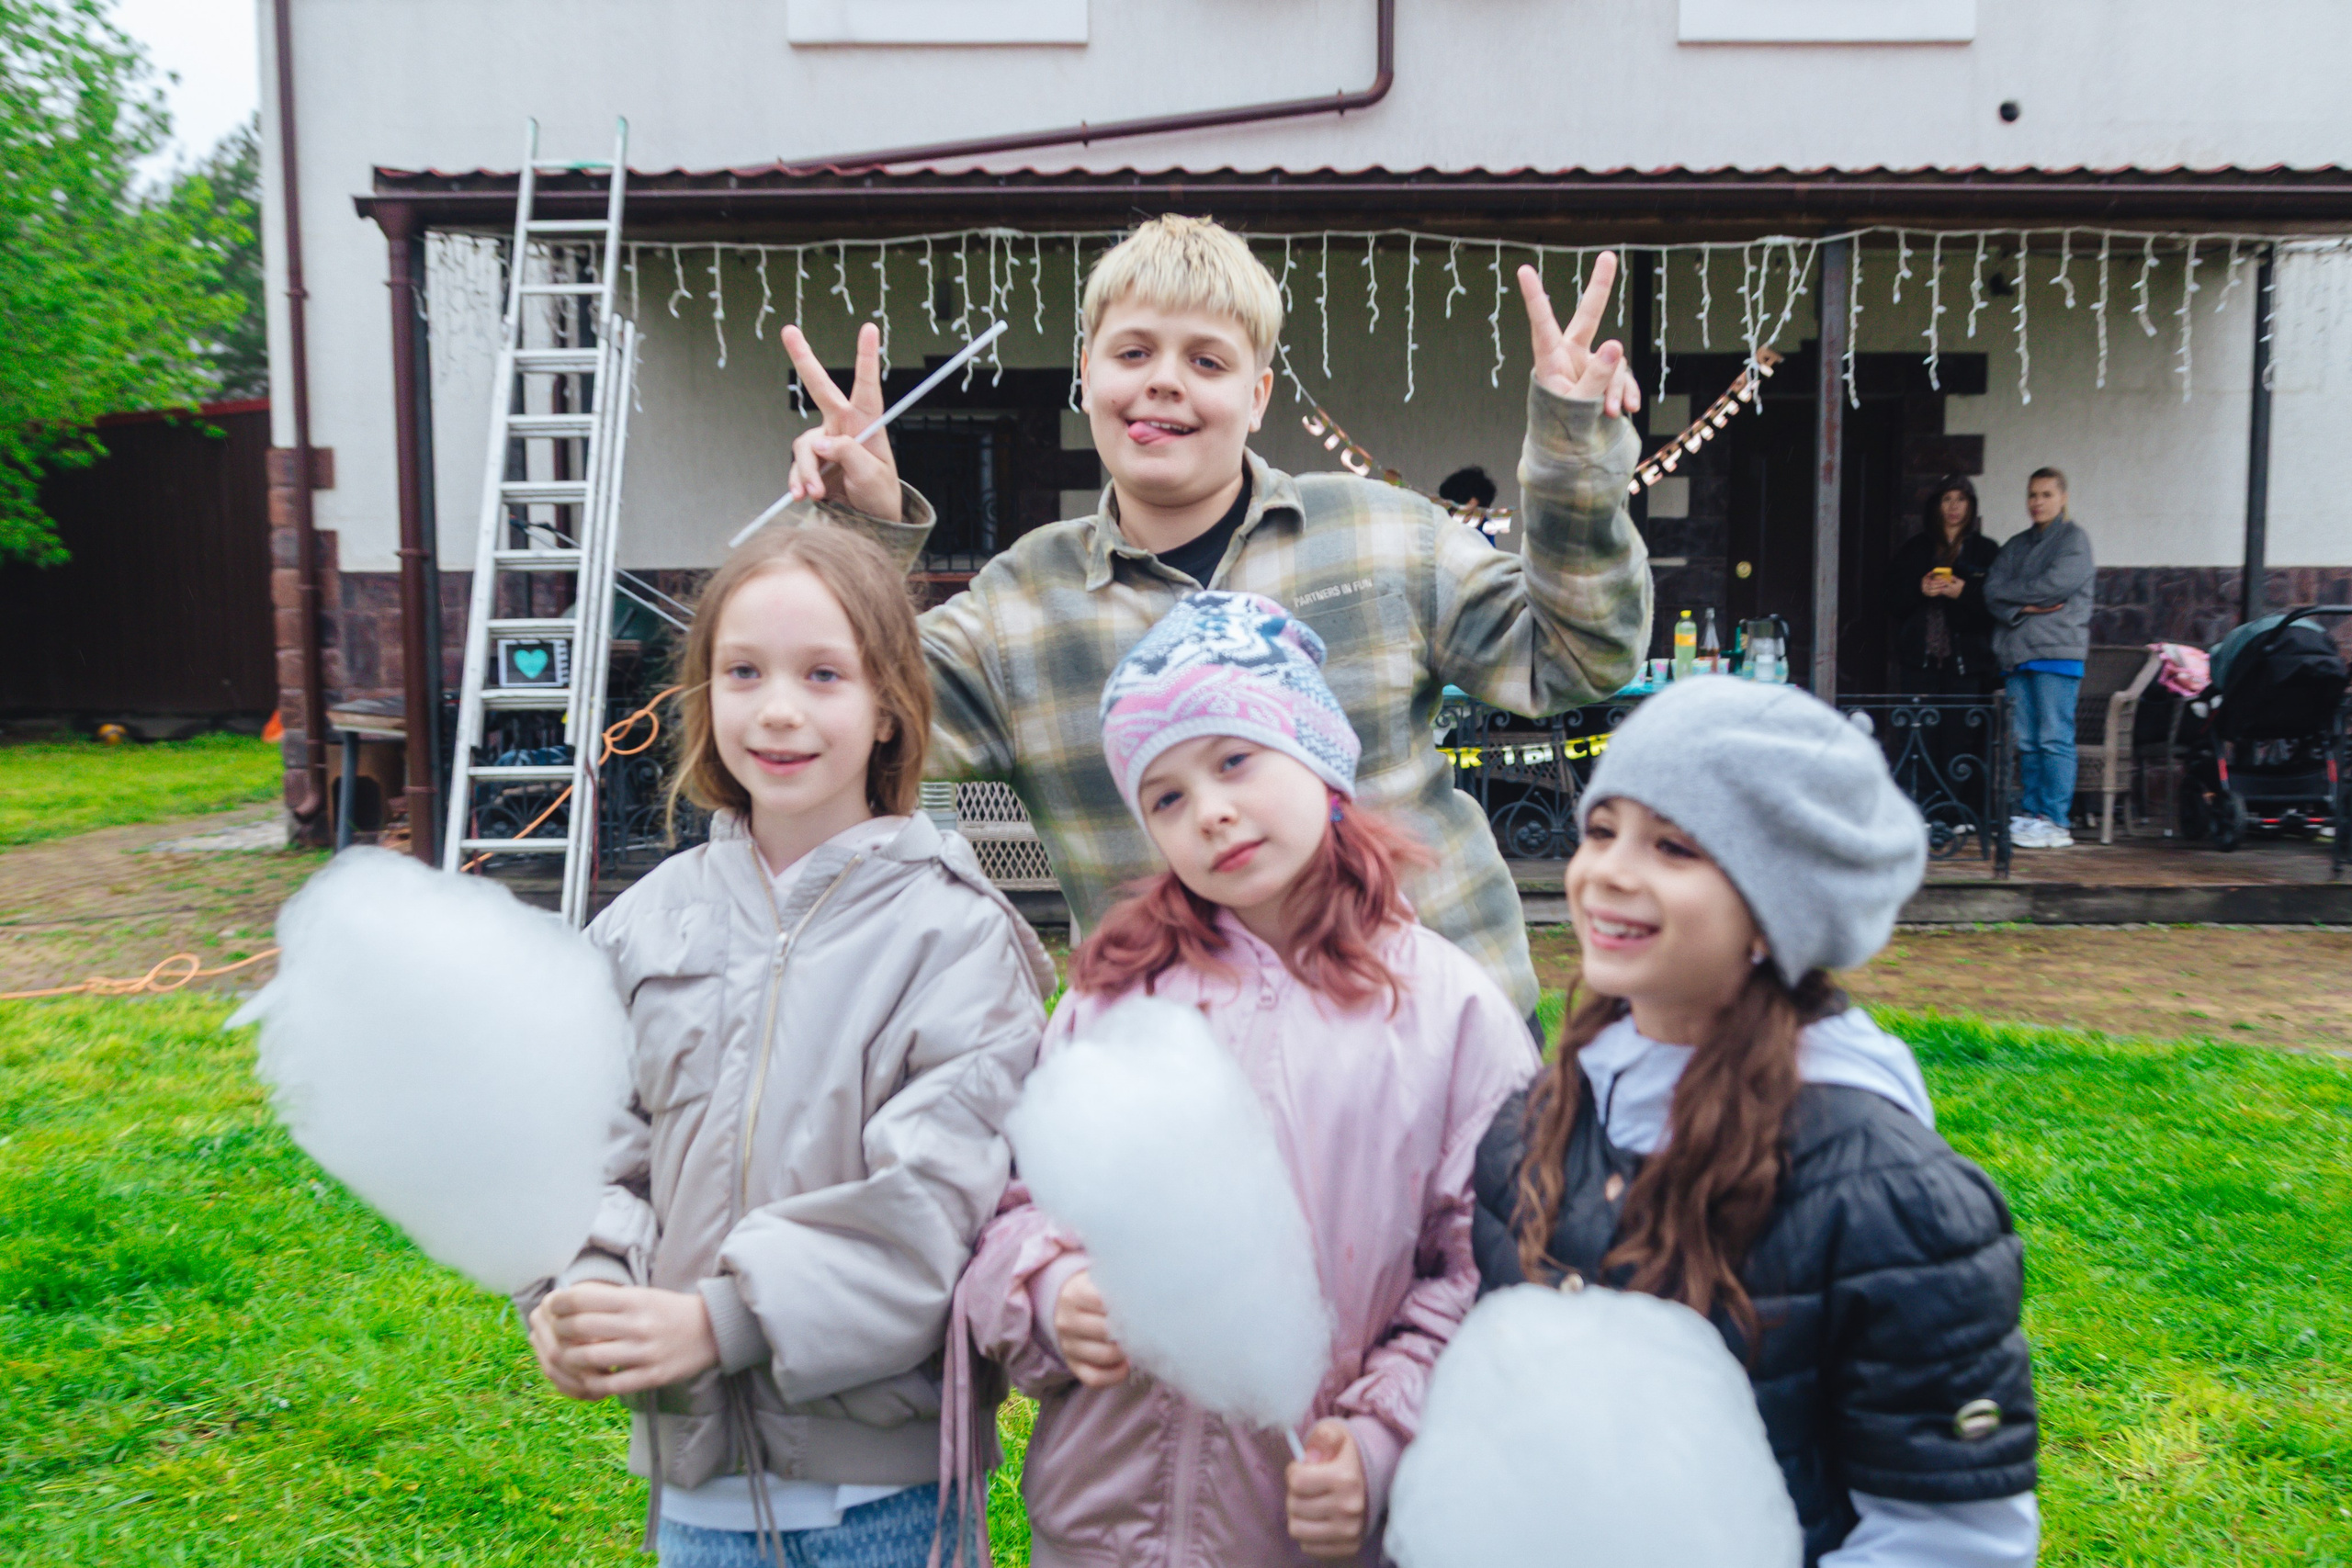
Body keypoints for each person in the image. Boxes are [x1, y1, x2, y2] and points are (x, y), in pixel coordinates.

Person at [774, 215, 1652, 1045]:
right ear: (1086, 375)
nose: (1164, 379)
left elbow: (1580, 657)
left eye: (1206, 359)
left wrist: (1576, 469)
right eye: (1133, 351)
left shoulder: (1384, 536)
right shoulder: (1020, 608)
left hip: (1434, 1041)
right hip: (1185, 1087)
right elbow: (851, 733)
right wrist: (865, 540)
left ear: (1258, 393)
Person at [948, 592, 1534, 1565]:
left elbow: (1482, 1275)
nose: (1211, 811)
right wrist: (1051, 1292)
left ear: (1319, 759)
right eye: (1167, 797)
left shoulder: (1449, 1014)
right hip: (1105, 1529)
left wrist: (1383, 1441)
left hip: (1310, 1532)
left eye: (1234, 761)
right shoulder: (1114, 999)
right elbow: (1009, 1207)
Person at [520, 526, 1056, 1566]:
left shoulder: (954, 936)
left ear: (890, 703)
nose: (777, 709)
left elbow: (936, 1202)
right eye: (743, 672)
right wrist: (580, 1283)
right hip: (697, 1497)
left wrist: (725, 1319)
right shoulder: (645, 923)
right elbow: (581, 1141)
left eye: (823, 675)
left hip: (891, 1504)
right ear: (703, 694)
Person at [1470, 676, 2038, 1568]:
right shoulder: (1532, 1126)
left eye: (1676, 847)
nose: (1610, 871)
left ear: (1776, 913)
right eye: (1601, 829)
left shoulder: (1890, 1200)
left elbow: (1950, 1539)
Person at [1984, 468, 2095, 849]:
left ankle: (2056, 820)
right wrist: (2026, 606)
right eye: (2032, 495)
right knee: (2027, 741)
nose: (2037, 503)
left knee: (2053, 739)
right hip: (2016, 654)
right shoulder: (2015, 544)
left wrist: (2017, 598)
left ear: (2063, 497)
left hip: (2057, 652)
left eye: (2046, 494)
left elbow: (2055, 587)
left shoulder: (2074, 541)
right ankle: (2032, 814)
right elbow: (1991, 591)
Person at [1885, 474, 1998, 694]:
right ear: (1937, 505)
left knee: (1962, 727)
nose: (1953, 506)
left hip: (1967, 664)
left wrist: (1964, 593)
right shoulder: (1916, 548)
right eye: (1947, 499)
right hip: (1920, 662)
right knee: (1919, 726)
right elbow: (1891, 597)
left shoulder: (1986, 550)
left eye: (1961, 499)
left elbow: (1996, 604)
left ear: (1971, 506)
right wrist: (1920, 590)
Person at [1437, 463, 1502, 545]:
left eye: (1469, 514)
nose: (1462, 520)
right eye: (1454, 511)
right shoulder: (1433, 530)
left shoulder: (1486, 534)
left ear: (1484, 513)